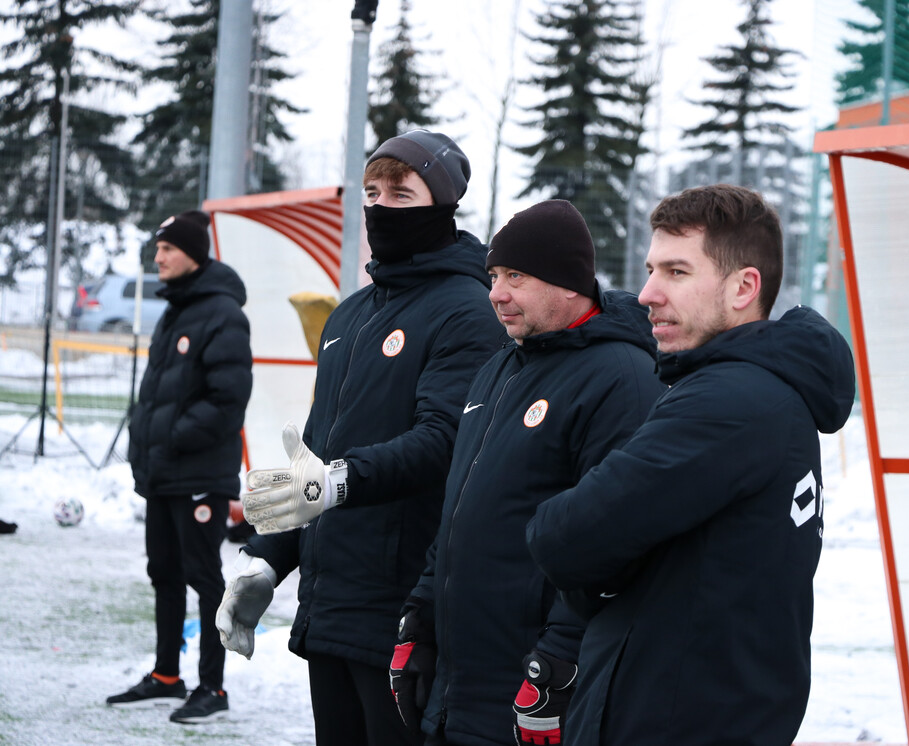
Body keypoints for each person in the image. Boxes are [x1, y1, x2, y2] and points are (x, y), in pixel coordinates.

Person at [525, 184, 857, 745]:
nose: (647, 292)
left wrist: (598, 580)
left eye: (676, 272)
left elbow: (562, 537)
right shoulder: (753, 389)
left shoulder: (731, 402)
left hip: (675, 720)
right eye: (652, 269)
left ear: (743, 288)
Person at [219, 130, 505, 746]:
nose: (380, 206)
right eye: (372, 191)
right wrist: (271, 561)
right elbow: (315, 461)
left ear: (445, 204)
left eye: (402, 193)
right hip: (331, 605)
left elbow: (445, 441)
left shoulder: (468, 310)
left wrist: (340, 481)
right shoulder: (350, 315)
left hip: (404, 605)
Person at [387, 200, 664, 746]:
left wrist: (558, 659)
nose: (496, 292)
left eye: (516, 276)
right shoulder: (501, 366)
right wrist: (422, 610)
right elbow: (461, 507)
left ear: (567, 283)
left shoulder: (621, 377)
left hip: (530, 682)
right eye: (493, 275)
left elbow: (613, 541)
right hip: (457, 684)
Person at [107, 209, 252, 725]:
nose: (158, 257)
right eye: (158, 248)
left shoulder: (223, 314)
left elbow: (227, 401)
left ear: (192, 253)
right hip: (165, 474)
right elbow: (160, 396)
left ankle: (212, 686)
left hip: (198, 477)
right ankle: (166, 675)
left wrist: (168, 439)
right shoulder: (175, 310)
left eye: (167, 248)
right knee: (163, 573)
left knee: (203, 577)